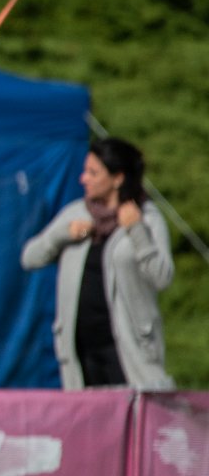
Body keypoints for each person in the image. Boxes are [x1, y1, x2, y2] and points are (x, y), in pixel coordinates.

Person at [22, 138, 174, 390]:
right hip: (80, 348)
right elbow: (29, 258)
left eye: (93, 173)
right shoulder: (75, 214)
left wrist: (137, 232)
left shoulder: (147, 218)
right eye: (85, 171)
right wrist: (63, 234)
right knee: (90, 424)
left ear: (117, 178)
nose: (84, 179)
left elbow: (162, 277)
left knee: (133, 421)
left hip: (127, 346)